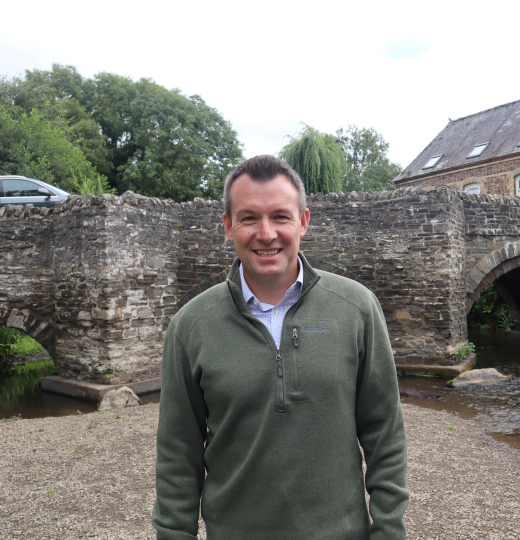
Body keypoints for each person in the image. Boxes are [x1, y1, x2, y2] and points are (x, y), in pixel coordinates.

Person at [152, 155, 409, 540]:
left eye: (281, 217)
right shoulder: (191, 326)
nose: (266, 233)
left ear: (303, 222)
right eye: (249, 217)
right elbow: (178, 454)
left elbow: (384, 433)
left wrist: (389, 532)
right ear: (228, 226)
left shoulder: (356, 308)